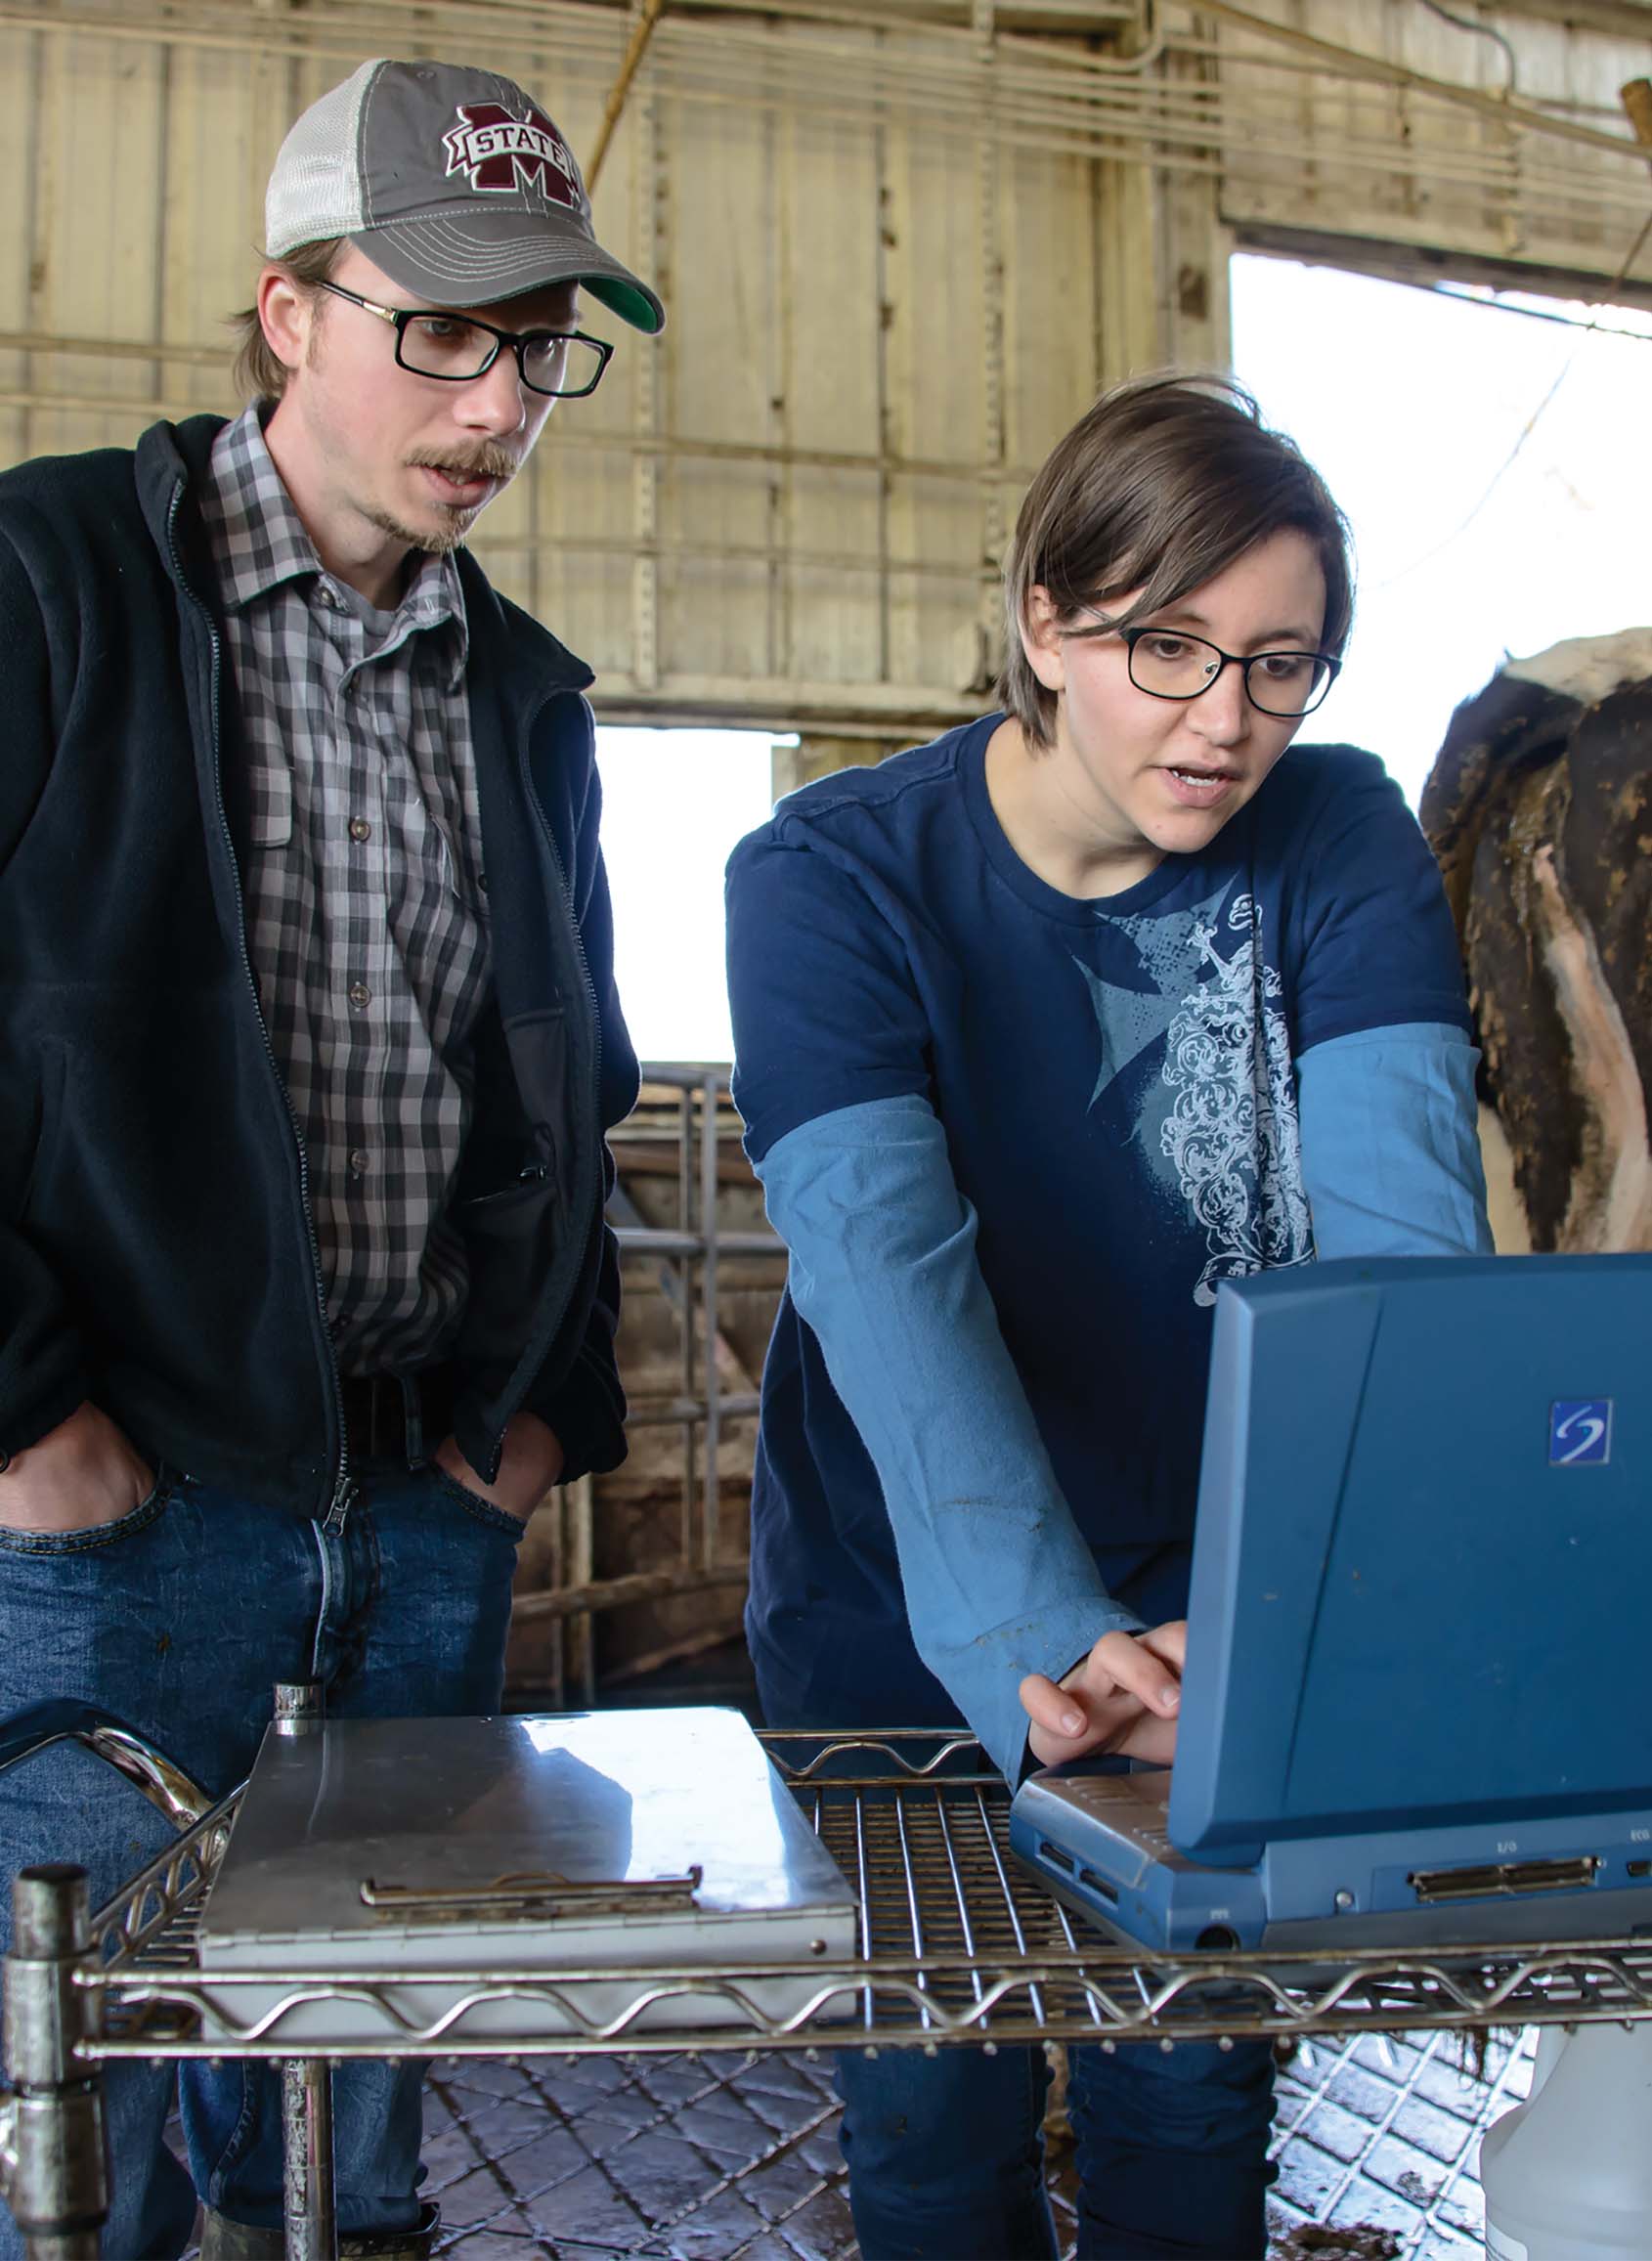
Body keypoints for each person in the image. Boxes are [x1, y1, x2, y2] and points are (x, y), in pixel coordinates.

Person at [0, 57, 661, 2261]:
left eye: (535, 344)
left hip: (423, 1508)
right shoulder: (47, 583)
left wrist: (543, 1402)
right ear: (285, 310)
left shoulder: (524, 693)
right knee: (63, 2132)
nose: (495, 401)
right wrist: (23, 1410)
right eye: (437, 331)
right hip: (119, 1515)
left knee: (342, 2157)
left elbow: (577, 1077)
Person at [724, 375, 1492, 2260]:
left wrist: (1280, 1616)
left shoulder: (1335, 834)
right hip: (911, 1620)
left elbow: (1400, 1253)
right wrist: (1039, 1634)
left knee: (1188, 2096)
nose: (1223, 720)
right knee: (936, 2105)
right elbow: (882, 1270)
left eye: (1279, 664)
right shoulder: (828, 878)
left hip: (1222, 1605)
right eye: (1168, 645)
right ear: (1047, 622)